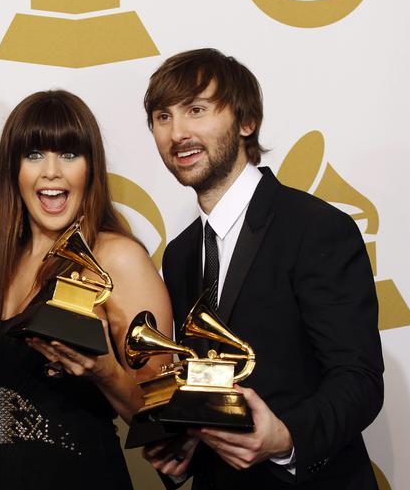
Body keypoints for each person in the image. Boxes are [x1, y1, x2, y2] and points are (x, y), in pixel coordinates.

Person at [140, 48, 384, 489]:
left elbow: (359, 380)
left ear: (246, 121)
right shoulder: (179, 254)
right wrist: (185, 450)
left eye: (196, 110)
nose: (178, 133)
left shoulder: (316, 228)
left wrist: (286, 438)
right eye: (162, 117)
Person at [0, 89, 173, 488]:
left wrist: (104, 373)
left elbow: (164, 420)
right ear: (14, 171)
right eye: (33, 155)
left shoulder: (117, 257)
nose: (52, 172)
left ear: (91, 168)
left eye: (69, 154)